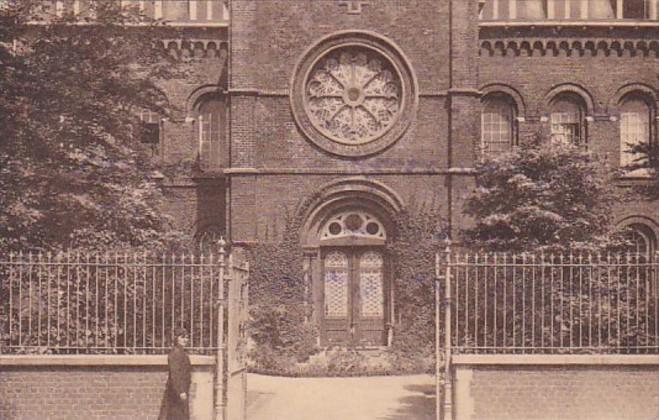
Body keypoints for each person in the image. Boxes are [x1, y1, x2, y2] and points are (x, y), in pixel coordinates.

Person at [159, 327, 192, 420]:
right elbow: (175, 375)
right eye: (182, 337)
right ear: (176, 338)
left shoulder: (182, 353)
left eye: (186, 337)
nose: (185, 340)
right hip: (176, 393)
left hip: (181, 391)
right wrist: (180, 391)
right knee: (175, 416)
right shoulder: (175, 353)